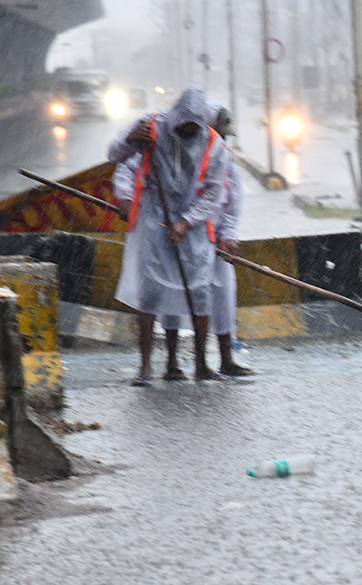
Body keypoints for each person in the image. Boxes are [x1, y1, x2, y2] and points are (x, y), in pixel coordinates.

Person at [108, 82, 229, 385]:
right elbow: (115, 155)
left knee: (200, 294)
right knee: (149, 294)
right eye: (184, 127)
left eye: (194, 128)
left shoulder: (213, 144)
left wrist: (186, 222)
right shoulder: (152, 127)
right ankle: (145, 367)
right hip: (154, 221)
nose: (189, 133)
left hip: (194, 229)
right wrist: (129, 139)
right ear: (175, 118)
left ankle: (202, 364)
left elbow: (213, 193)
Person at [157, 105, 253, 378]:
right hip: (179, 235)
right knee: (172, 293)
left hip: (213, 238)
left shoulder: (225, 158)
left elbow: (232, 201)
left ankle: (224, 359)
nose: (220, 139)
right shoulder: (178, 155)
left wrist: (228, 236)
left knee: (222, 296)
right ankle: (173, 363)